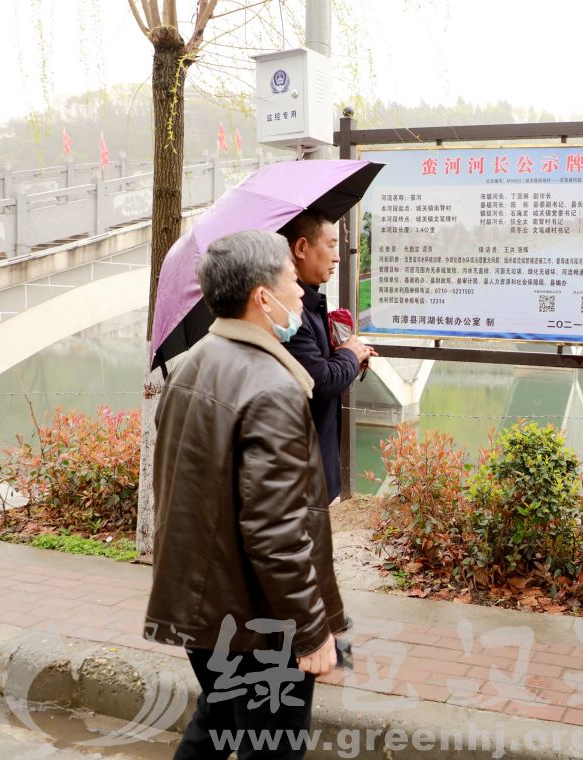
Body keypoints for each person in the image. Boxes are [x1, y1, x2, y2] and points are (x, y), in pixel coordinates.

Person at [144, 230, 347, 760]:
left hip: (204, 611)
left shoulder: (192, 364)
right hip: (257, 620)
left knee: (216, 722)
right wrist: (310, 632)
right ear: (262, 295)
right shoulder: (271, 386)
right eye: (289, 279)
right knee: (270, 746)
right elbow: (276, 532)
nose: (301, 292)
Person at [279, 210, 375, 504]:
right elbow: (318, 381)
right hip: (300, 473)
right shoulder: (290, 315)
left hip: (315, 465)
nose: (337, 257)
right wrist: (348, 355)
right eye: (331, 245)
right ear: (301, 248)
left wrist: (345, 354)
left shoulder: (310, 306)